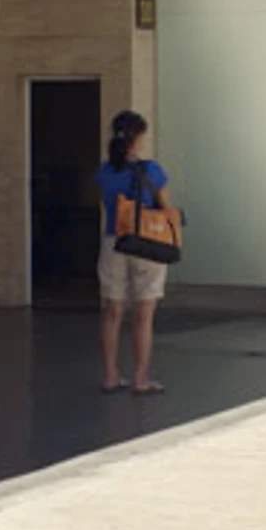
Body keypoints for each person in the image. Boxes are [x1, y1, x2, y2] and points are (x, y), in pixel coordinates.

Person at [96, 111, 173, 396]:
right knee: (144, 313)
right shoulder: (152, 170)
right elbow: (165, 205)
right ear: (138, 138)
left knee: (112, 311)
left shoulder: (104, 171)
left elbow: (107, 204)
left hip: (114, 242)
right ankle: (141, 379)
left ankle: (111, 377)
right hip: (146, 244)